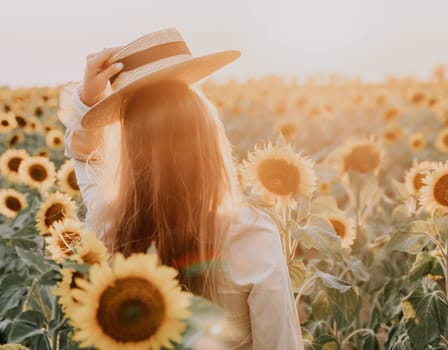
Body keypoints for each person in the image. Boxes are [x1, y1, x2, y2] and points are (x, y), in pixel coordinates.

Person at [57, 28, 303, 349]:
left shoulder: (109, 227)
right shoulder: (251, 237)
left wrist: (86, 103)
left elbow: (85, 161)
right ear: (209, 142)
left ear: (129, 149)